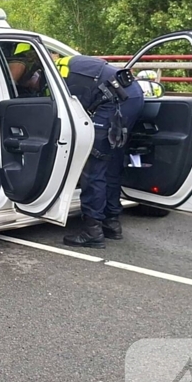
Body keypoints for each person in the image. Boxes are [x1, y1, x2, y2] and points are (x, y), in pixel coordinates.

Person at [55, 54, 145, 248]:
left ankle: (92, 231)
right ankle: (111, 223)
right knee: (111, 162)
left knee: (94, 164)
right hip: (132, 95)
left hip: (115, 100)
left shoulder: (57, 76)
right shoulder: (68, 63)